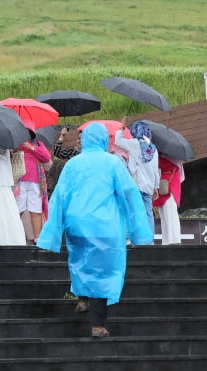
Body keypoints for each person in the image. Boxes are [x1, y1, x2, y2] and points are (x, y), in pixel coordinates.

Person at [37, 122, 154, 338]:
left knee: (81, 262)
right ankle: (98, 324)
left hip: (78, 224)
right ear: (103, 140)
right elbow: (129, 195)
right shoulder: (113, 163)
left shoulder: (73, 164)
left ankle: (82, 297)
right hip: (106, 226)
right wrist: (139, 232)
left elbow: (59, 197)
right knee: (105, 273)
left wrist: (51, 232)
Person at [114, 121, 161, 220]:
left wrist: (121, 129)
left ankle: (137, 234)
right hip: (149, 186)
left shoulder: (135, 143)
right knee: (148, 213)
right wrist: (156, 187)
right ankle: (149, 235)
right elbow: (156, 170)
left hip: (136, 184)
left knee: (135, 211)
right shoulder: (153, 148)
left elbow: (118, 141)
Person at [15, 131, 52, 244]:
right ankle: (16, 235)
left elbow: (46, 158)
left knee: (35, 210)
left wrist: (32, 148)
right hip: (19, 182)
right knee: (18, 210)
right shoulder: (16, 144)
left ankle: (37, 237)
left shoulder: (38, 144)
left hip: (35, 182)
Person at [154, 156, 184, 245]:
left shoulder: (172, 155)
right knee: (165, 214)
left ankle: (174, 239)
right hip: (165, 182)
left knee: (170, 212)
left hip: (169, 183)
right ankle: (167, 240)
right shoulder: (174, 154)